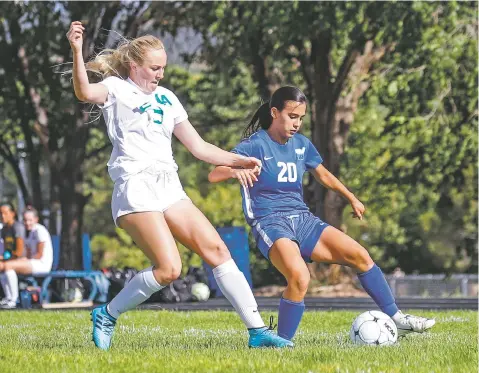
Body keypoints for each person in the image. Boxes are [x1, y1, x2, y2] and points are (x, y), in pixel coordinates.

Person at [66, 21, 292, 350]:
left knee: (217, 251)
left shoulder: (168, 98)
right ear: (134, 66)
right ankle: (107, 313)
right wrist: (76, 51)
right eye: (154, 68)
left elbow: (199, 148)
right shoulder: (115, 89)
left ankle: (257, 332)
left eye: (163, 68)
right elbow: (84, 92)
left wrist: (238, 160)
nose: (160, 74)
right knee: (170, 268)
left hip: (169, 186)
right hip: (135, 185)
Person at [208, 86, 436, 341]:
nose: (297, 124)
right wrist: (234, 171)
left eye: (301, 118)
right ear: (274, 112)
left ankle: (397, 319)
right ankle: (282, 343)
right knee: (299, 276)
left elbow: (323, 174)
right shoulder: (255, 145)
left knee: (360, 255)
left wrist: (351, 197)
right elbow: (214, 173)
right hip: (271, 222)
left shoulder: (302, 145)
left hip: (303, 221)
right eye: (292, 116)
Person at [0, 207, 53, 309]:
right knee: (5, 268)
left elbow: (39, 254)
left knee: (8, 266)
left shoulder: (40, 230)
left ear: (36, 219)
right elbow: (28, 254)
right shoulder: (29, 232)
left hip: (42, 264)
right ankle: (8, 298)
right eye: (25, 220)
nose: (27, 223)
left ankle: (14, 300)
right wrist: (22, 259)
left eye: (30, 220)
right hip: (33, 262)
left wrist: (24, 260)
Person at [0, 202, 26, 308]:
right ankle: (8, 297)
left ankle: (14, 299)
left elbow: (19, 252)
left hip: (23, 260)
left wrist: (3, 258)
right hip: (12, 259)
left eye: (5, 213)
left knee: (7, 268)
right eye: (0, 213)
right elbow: (7, 250)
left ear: (13, 213)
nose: (2, 216)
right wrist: (4, 257)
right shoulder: (4, 230)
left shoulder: (17, 227)